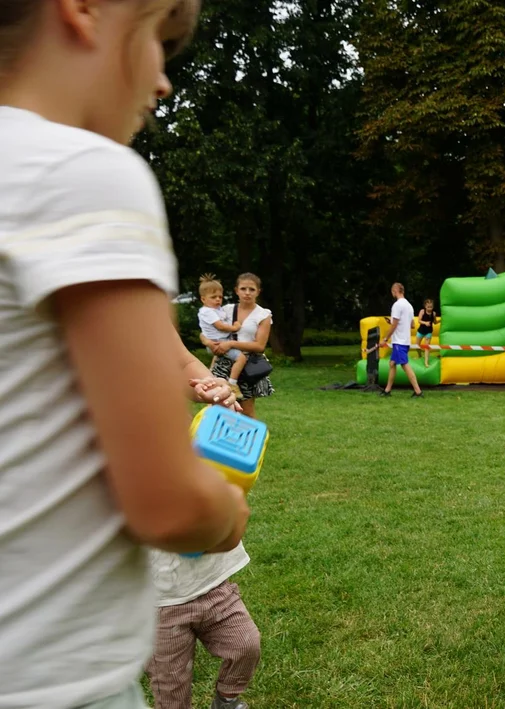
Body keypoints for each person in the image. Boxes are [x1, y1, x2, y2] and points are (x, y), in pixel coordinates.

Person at [0, 2, 253, 707]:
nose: (163, 80)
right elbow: (166, 503)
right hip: (56, 683)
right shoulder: (86, 173)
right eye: (157, 40)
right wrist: (226, 510)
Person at [145, 541, 259, 709]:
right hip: (159, 604)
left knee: (245, 644)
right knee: (171, 686)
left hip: (213, 586)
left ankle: (226, 701)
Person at [206, 274, 273, 418]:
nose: (247, 293)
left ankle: (250, 439)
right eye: (243, 288)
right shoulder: (227, 310)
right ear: (236, 290)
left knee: (246, 411)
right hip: (223, 362)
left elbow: (260, 346)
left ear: (258, 291)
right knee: (218, 407)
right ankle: (219, 439)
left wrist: (231, 343)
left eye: (252, 289)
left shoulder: (263, 315)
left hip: (247, 364)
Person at [197, 274, 248, 394]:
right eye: (213, 297)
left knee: (216, 360)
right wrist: (235, 327)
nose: (218, 299)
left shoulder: (217, 310)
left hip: (218, 341)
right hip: (219, 342)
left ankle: (210, 375)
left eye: (220, 297)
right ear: (203, 299)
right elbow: (220, 326)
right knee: (241, 358)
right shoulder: (207, 312)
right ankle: (233, 383)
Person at [376, 282, 423, 397]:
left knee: (404, 365)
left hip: (399, 341)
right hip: (405, 341)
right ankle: (387, 390)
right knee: (392, 363)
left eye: (392, 292)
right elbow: (412, 325)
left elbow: (394, 325)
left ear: (395, 291)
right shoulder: (409, 306)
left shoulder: (397, 305)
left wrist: (385, 339)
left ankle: (418, 391)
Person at [418, 297, 437, 367]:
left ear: (433, 307)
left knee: (427, 347)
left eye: (431, 307)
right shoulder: (422, 311)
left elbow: (434, 322)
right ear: (425, 306)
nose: (429, 308)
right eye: (428, 307)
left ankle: (426, 362)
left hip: (428, 332)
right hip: (421, 331)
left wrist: (440, 320)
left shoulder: (434, 313)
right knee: (417, 345)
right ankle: (419, 355)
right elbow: (419, 320)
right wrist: (425, 323)